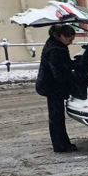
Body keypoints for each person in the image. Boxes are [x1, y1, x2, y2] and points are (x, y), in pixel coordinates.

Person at [36, 24, 78, 153]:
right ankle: (60, 146)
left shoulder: (55, 43)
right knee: (56, 117)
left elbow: (63, 64)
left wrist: (74, 63)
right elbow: (59, 73)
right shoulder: (56, 49)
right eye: (69, 40)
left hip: (49, 85)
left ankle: (62, 144)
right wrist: (72, 79)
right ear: (61, 36)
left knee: (56, 117)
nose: (70, 43)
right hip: (52, 87)